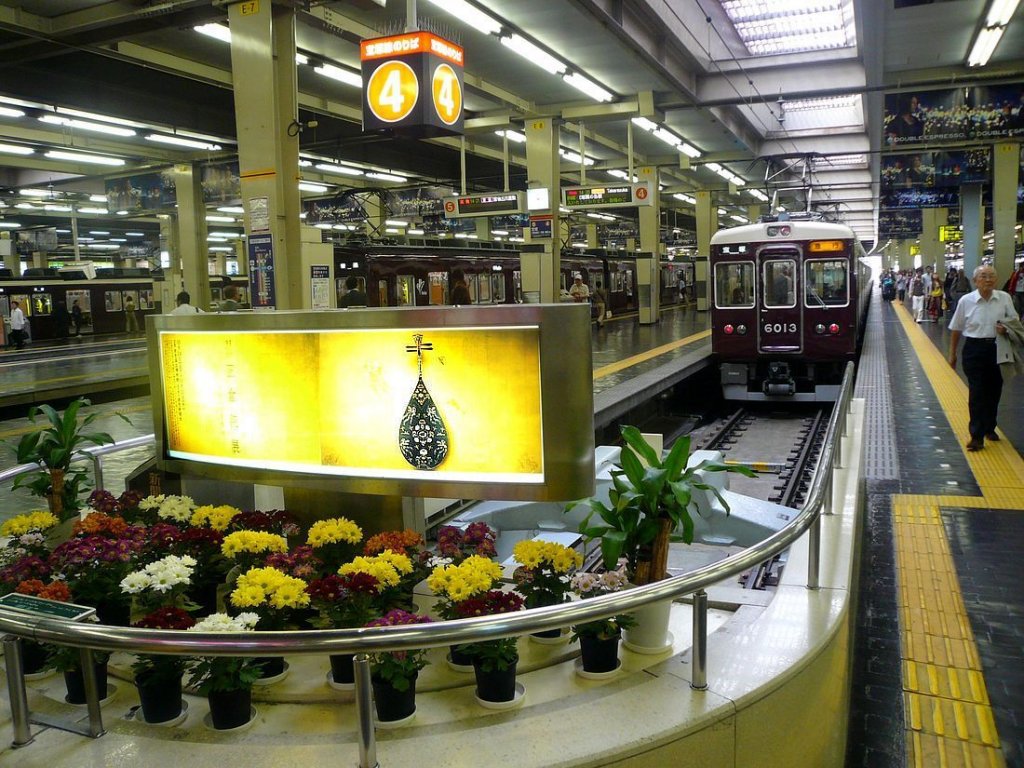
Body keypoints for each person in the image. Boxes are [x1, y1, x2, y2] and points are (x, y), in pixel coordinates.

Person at [948, 265, 1017, 451]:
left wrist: (1006, 329)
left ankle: (989, 427)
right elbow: (956, 328)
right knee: (977, 392)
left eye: (992, 276)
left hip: (998, 348)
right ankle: (976, 436)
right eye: (984, 276)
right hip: (974, 349)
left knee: (994, 391)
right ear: (975, 280)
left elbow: (1015, 322)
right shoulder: (966, 300)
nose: (988, 280)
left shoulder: (1004, 298)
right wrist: (952, 354)